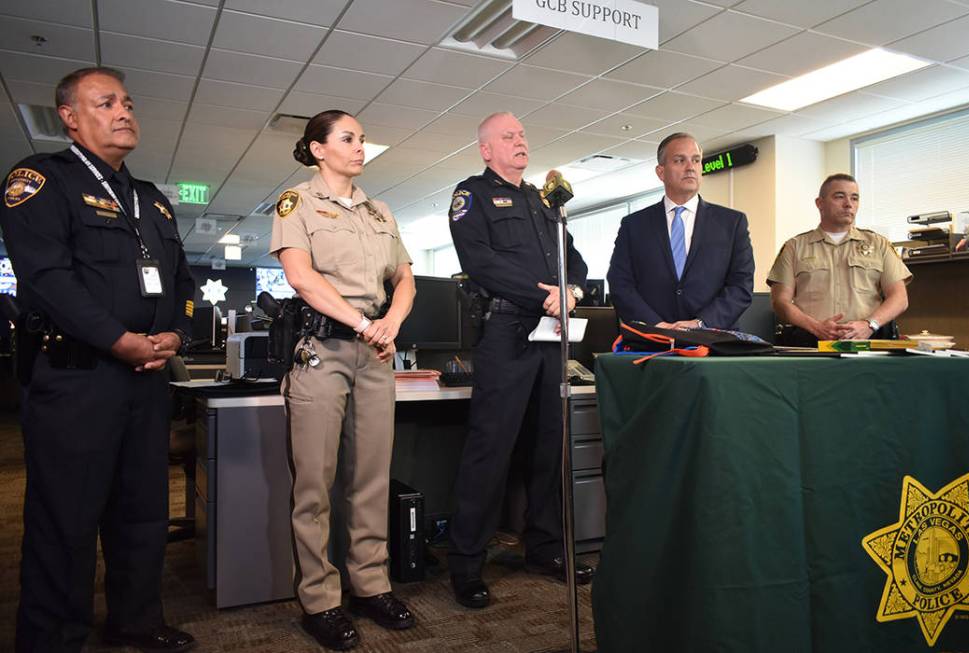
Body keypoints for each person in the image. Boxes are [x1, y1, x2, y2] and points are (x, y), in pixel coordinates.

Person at [0, 67, 196, 652]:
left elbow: (183, 281)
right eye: (106, 101)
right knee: (67, 518)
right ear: (69, 115)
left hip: (146, 378)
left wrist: (176, 336)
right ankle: (54, 637)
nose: (124, 111)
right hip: (77, 376)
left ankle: (135, 619)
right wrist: (118, 339)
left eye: (128, 102)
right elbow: (50, 280)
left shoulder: (151, 200)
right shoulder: (40, 180)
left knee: (142, 511)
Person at [270, 110, 416, 651]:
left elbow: (404, 278)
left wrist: (391, 323)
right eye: (347, 139)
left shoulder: (380, 211)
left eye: (361, 139)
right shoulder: (298, 203)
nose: (359, 147)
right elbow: (300, 276)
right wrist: (361, 323)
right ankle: (318, 599)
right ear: (317, 149)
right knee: (315, 484)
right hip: (324, 351)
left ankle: (370, 585)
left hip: (376, 353)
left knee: (372, 478)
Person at [447, 111, 592, 610]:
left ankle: (543, 548)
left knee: (550, 445)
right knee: (492, 449)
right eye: (508, 136)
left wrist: (569, 289)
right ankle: (466, 564)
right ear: (486, 149)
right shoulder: (473, 195)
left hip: (554, 334)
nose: (520, 141)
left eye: (523, 134)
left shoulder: (542, 200)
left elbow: (575, 258)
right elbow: (480, 262)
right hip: (507, 331)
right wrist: (544, 294)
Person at [607, 132, 754, 329]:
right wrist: (657, 325)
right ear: (661, 172)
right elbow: (620, 284)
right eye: (679, 160)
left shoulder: (732, 223)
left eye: (696, 160)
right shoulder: (633, 225)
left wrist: (701, 324)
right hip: (651, 341)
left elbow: (740, 286)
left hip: (712, 342)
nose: (690, 167)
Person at [767, 173, 911, 346]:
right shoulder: (794, 247)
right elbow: (780, 302)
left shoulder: (879, 244)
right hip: (811, 343)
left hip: (869, 340)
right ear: (819, 204)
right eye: (839, 196)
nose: (848, 204)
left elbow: (899, 298)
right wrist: (816, 327)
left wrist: (869, 324)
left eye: (854, 198)